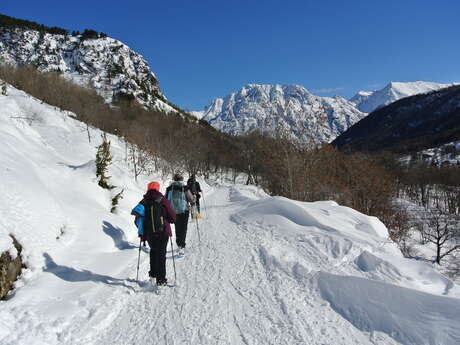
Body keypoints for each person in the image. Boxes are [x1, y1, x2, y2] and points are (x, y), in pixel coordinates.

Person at [131, 181, 176, 286]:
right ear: (158, 188)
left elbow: (137, 219)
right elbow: (173, 217)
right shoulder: (163, 200)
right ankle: (161, 280)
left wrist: (144, 229)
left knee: (153, 252)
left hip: (150, 233)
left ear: (148, 188)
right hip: (163, 231)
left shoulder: (143, 201)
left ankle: (153, 275)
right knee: (161, 255)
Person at [166, 174, 194, 256]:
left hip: (173, 211)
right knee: (183, 228)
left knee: (177, 228)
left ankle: (179, 244)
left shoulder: (169, 188)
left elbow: (166, 199)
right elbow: (191, 199)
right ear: (181, 179)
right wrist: (194, 198)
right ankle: (182, 245)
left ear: (174, 179)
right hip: (184, 211)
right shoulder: (185, 188)